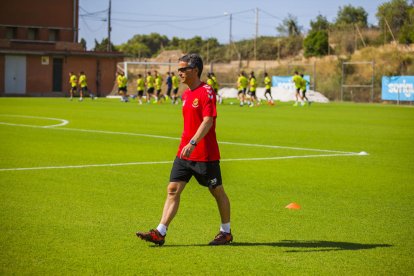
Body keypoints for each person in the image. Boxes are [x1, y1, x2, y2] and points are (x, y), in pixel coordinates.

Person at [136, 53, 233, 246]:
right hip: (184, 152)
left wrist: (193, 142)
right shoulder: (187, 94)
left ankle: (226, 232)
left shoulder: (206, 92)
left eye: (183, 69)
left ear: (195, 70)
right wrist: (187, 145)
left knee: (217, 190)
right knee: (172, 189)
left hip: (205, 153)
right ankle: (160, 232)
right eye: (178, 69)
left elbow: (208, 120)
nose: (179, 73)